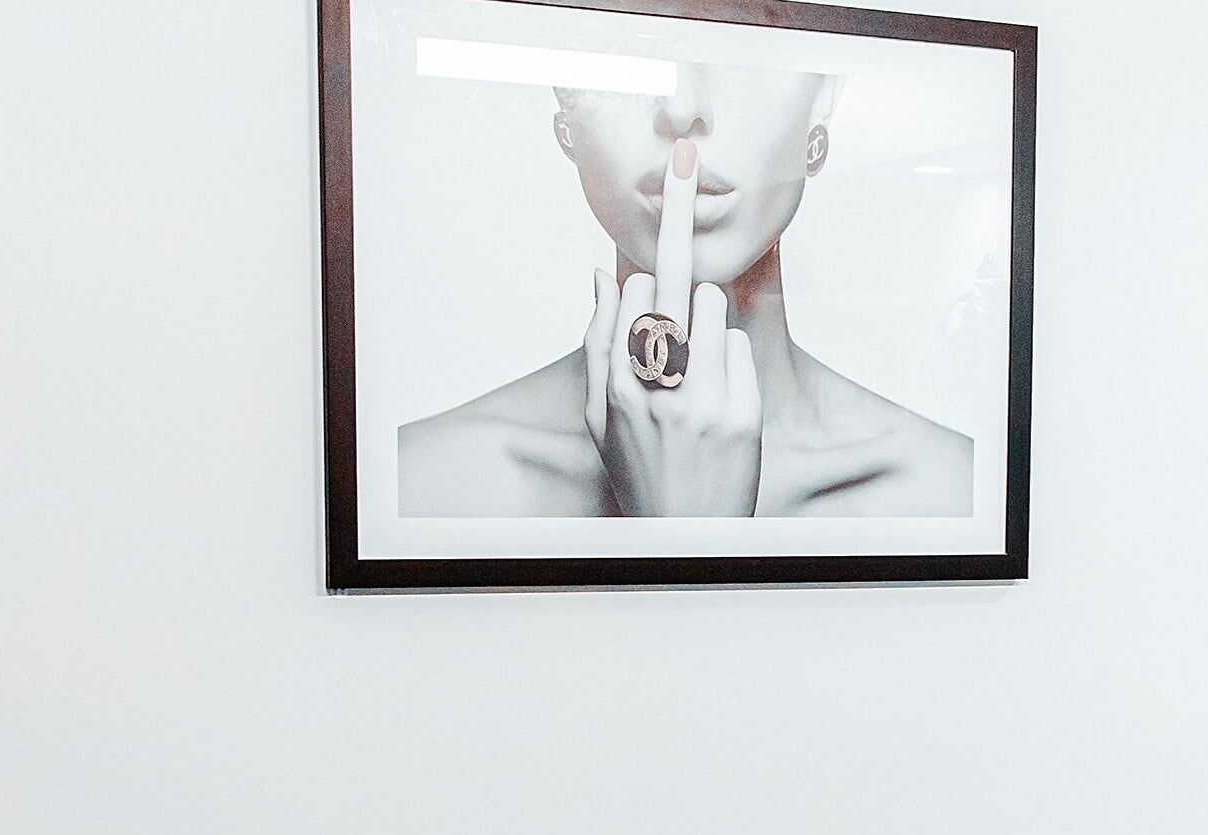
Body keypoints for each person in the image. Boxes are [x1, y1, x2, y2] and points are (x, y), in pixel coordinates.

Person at [399, 63, 974, 518]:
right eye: (627, 51)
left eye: (743, 52)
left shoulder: (958, 491)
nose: (681, 108)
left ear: (824, 95)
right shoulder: (419, 483)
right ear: (564, 109)